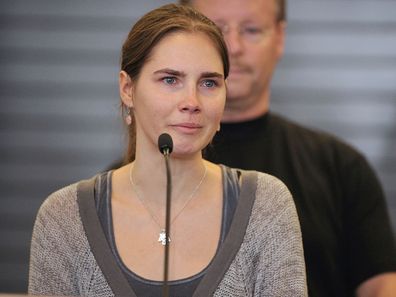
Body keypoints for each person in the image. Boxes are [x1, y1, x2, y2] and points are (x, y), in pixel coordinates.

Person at [28, 4, 307, 296]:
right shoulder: (64, 217)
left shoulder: (266, 205)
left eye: (209, 82)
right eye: (170, 80)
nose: (192, 101)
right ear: (127, 89)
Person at [179, 0, 396, 296]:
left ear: (279, 38)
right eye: (216, 31)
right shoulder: (134, 181)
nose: (233, 46)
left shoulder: (341, 167)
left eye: (251, 29)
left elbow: (382, 286)